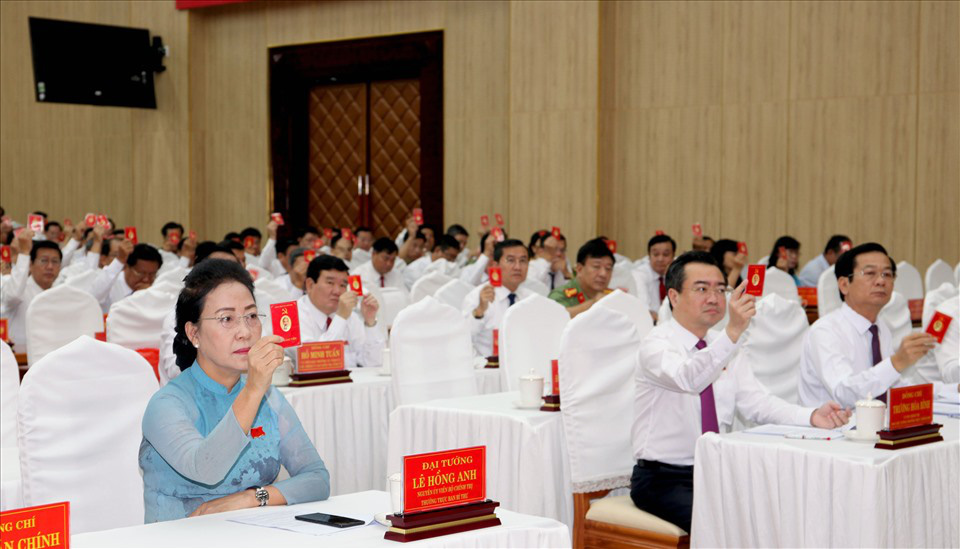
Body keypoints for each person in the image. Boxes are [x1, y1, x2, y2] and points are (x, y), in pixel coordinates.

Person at [631, 251, 850, 533]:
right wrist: (732, 332)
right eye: (701, 289)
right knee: (727, 528)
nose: (714, 298)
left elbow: (756, 403)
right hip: (663, 478)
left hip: (718, 469)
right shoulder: (657, 345)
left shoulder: (723, 345)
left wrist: (810, 416)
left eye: (720, 289)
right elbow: (689, 379)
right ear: (673, 297)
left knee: (784, 515)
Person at [140, 259, 330, 522]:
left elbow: (317, 478)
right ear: (194, 334)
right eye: (226, 319)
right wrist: (252, 389)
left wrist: (251, 498)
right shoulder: (167, 404)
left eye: (251, 316)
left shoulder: (269, 399)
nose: (244, 332)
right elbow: (206, 468)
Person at [798, 243, 942, 407]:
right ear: (844, 285)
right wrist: (896, 362)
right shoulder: (825, 331)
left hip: (871, 425)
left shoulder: (881, 328)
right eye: (870, 273)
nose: (881, 281)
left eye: (887, 274)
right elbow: (844, 393)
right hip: (829, 429)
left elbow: (892, 387)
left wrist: (952, 390)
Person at [158, 243, 241, 386]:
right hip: (187, 398)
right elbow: (175, 370)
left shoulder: (247, 313)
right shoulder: (178, 317)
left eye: (235, 271)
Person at [296, 255, 385, 368]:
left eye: (343, 285)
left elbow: (375, 362)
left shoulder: (351, 316)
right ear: (310, 285)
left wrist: (370, 322)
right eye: (330, 283)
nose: (337, 291)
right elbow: (317, 364)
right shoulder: (291, 317)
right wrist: (341, 318)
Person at [461, 239, 534, 357]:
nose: (517, 267)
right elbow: (463, 337)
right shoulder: (477, 296)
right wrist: (479, 311)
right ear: (495, 265)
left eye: (523, 261)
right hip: (488, 370)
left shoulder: (530, 298)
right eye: (510, 260)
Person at [0, 231, 61, 349]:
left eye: (55, 261)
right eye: (44, 260)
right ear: (31, 264)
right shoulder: (19, 289)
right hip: (20, 359)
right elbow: (13, 296)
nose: (50, 267)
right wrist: (24, 253)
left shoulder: (60, 293)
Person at [548, 238, 613, 318]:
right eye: (596, 266)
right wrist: (594, 303)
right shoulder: (561, 295)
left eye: (608, 268)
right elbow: (555, 317)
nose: (603, 274)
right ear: (579, 269)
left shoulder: (613, 296)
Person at [91, 242, 163, 312]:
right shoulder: (110, 283)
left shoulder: (157, 287)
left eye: (152, 274)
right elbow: (93, 297)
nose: (146, 279)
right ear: (126, 267)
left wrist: (149, 295)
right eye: (140, 273)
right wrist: (119, 260)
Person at [635, 234, 676, 321]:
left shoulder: (678, 272)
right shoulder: (640, 274)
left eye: (665, 254)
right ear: (649, 256)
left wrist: (670, 276)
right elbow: (644, 309)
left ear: (673, 256)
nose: (660, 259)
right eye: (656, 254)